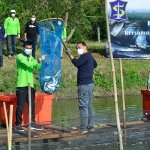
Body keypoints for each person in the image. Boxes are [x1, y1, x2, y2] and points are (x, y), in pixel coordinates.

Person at [65, 41, 97, 133]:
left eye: (79, 47)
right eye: (77, 48)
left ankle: (83, 127)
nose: (78, 49)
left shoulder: (85, 56)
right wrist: (87, 68)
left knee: (83, 106)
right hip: (90, 84)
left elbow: (76, 63)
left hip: (84, 85)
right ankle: (91, 126)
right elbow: (95, 64)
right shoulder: (90, 56)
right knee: (89, 105)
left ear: (84, 47)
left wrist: (70, 55)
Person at [15, 41, 44, 131]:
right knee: (20, 106)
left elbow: (38, 67)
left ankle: (32, 123)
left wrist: (44, 62)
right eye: (27, 48)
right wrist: (37, 60)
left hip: (30, 85)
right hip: (22, 85)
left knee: (31, 105)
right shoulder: (19, 57)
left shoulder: (31, 58)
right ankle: (18, 125)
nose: (29, 49)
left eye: (30, 48)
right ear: (23, 48)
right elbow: (27, 65)